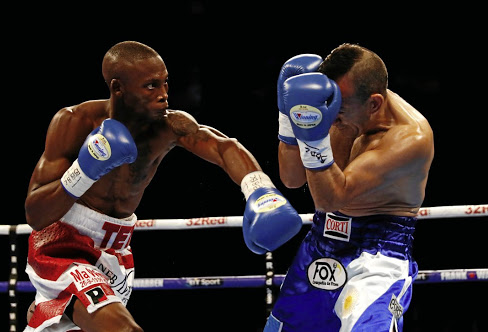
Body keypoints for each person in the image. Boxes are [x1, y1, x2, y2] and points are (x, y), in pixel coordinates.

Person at [23, 40, 302, 332]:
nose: (164, 95)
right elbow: (36, 214)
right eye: (151, 86)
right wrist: (84, 170)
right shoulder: (75, 122)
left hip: (116, 251)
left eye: (165, 83)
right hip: (63, 246)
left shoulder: (168, 127)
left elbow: (223, 147)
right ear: (118, 88)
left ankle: (45, 307)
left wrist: (259, 190)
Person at [265, 43, 434, 331]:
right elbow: (292, 179)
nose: (332, 113)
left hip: (377, 256)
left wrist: (315, 139)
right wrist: (288, 119)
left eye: (340, 109)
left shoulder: (408, 139)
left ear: (374, 104)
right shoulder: (337, 101)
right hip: (321, 243)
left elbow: (330, 198)